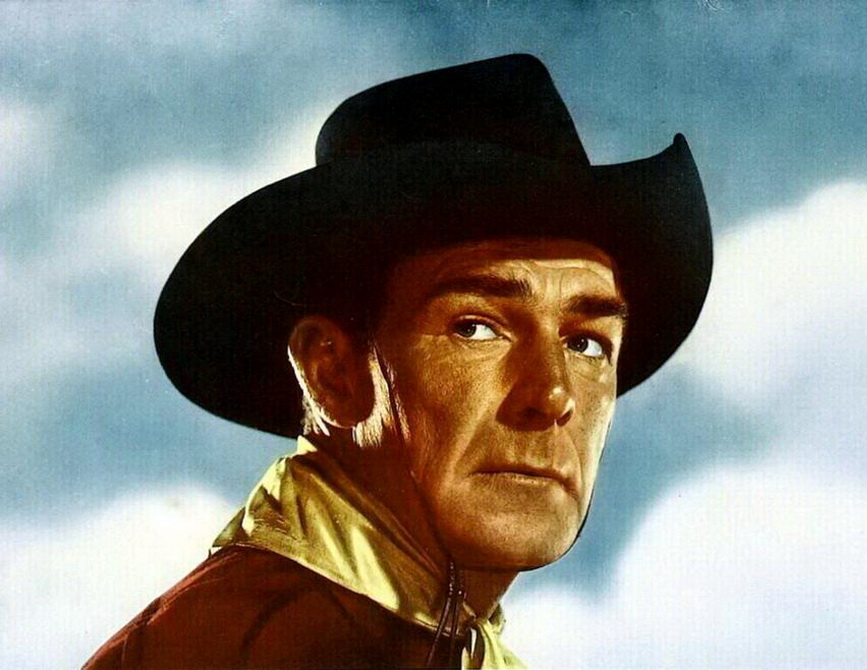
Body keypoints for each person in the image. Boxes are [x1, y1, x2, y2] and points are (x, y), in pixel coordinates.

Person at [84, 53, 712, 669]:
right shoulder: (229, 650)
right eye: (476, 328)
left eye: (586, 343)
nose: (553, 395)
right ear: (333, 373)